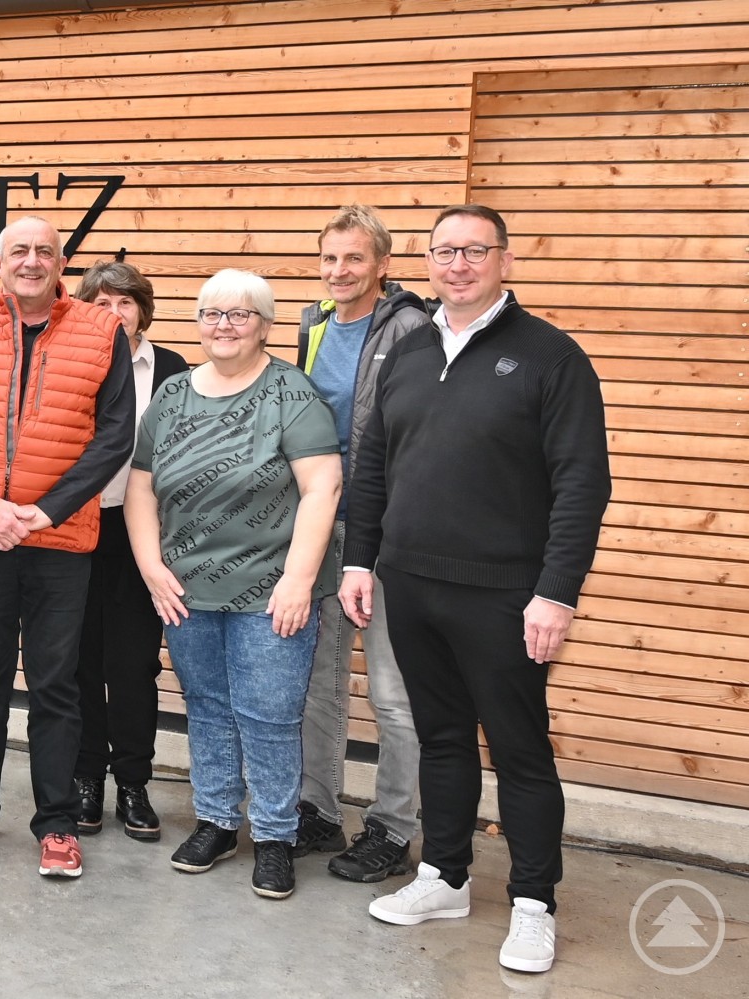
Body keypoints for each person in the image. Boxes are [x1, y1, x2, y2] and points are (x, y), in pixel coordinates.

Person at [352, 205, 610, 975]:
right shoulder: (407, 349)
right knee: (440, 738)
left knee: (521, 750)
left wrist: (556, 592)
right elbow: (372, 465)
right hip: (411, 584)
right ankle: (446, 876)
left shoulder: (550, 356)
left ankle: (534, 903)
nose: (457, 264)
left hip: (505, 596)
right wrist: (359, 561)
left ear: (503, 260)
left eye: (473, 250)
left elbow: (580, 484)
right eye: (443, 251)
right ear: (426, 261)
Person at [0, 216, 134, 879]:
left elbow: (115, 434)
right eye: (19, 250)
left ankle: (56, 821)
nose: (32, 260)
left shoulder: (102, 332)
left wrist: (45, 510)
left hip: (62, 539)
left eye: (45, 251)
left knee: (55, 684)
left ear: (61, 262)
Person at [125, 268, 341, 900]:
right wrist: (151, 567)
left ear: (265, 326)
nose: (222, 325)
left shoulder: (290, 394)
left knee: (270, 716)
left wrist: (300, 580)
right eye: (211, 314)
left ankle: (274, 837)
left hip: (272, 590)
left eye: (238, 315)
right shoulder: (171, 394)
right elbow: (140, 485)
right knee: (209, 709)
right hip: (185, 588)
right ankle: (217, 821)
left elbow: (322, 487)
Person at [291, 205, 431, 881]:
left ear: (382, 264)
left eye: (353, 258)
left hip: (384, 526)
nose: (339, 271)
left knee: (391, 688)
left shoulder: (411, 326)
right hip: (318, 522)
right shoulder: (313, 321)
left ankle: (394, 826)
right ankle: (317, 808)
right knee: (319, 679)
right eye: (329, 258)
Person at [69, 260, 186, 842]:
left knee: (135, 663)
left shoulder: (171, 370)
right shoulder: (69, 359)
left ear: (142, 309)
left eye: (124, 303)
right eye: (101, 303)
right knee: (81, 660)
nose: (113, 314)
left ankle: (133, 782)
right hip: (78, 527)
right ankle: (86, 777)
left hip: (146, 534)